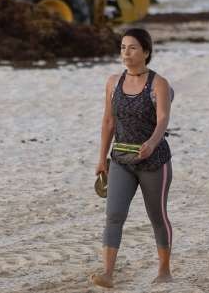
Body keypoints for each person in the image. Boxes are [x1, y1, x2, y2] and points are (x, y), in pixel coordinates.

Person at [90, 28, 174, 288]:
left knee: (157, 216)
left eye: (133, 47)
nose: (126, 52)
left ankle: (164, 270)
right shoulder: (113, 82)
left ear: (146, 52)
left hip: (153, 161)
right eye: (123, 47)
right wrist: (101, 158)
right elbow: (108, 121)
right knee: (114, 215)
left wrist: (150, 143)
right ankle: (107, 273)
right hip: (121, 159)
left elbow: (163, 120)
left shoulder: (159, 84)